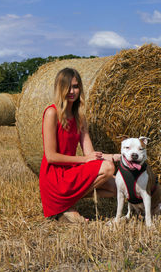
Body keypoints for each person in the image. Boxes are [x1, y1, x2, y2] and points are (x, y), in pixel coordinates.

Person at [39, 67, 121, 223]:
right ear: (59, 88)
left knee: (117, 186)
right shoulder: (52, 113)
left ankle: (65, 206)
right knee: (108, 167)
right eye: (67, 87)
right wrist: (85, 160)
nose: (72, 91)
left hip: (70, 172)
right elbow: (51, 157)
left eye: (75, 86)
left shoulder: (79, 118)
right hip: (54, 176)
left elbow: (91, 154)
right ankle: (65, 205)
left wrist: (117, 156)